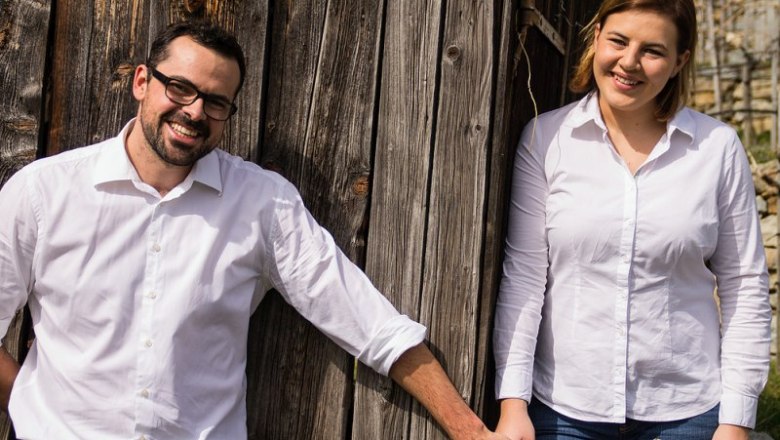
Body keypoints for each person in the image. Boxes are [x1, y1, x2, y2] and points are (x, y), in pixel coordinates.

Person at [0, 21, 506, 440]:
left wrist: (471, 432)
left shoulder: (261, 204)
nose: (195, 111)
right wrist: (35, 408)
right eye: (179, 87)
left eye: (216, 102)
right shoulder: (43, 194)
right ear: (141, 82)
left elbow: (369, 322)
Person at [493, 1, 771, 439]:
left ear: (680, 61)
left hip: (687, 411)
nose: (629, 62)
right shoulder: (547, 139)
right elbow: (525, 278)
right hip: (565, 409)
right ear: (598, 35)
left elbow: (745, 285)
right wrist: (513, 405)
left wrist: (736, 422)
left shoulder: (718, 148)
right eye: (619, 41)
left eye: (653, 50)